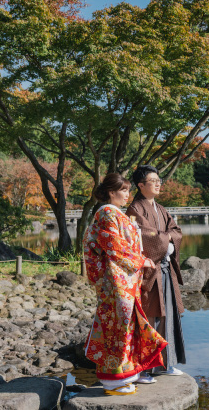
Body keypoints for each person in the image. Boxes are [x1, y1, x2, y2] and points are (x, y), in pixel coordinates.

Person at [84, 173, 166, 395]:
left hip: (124, 279)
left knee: (127, 325)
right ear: (111, 192)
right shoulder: (107, 213)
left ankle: (128, 373)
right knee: (116, 327)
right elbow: (114, 246)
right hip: (115, 281)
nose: (128, 195)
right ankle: (113, 380)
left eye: (128, 190)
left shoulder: (115, 213)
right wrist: (140, 260)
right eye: (123, 190)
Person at [127, 165, 186, 376]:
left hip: (166, 269)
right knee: (150, 316)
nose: (158, 184)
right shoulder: (135, 209)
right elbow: (143, 235)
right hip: (150, 272)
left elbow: (176, 230)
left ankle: (166, 364)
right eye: (153, 181)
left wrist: (167, 238)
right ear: (140, 185)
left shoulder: (160, 208)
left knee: (168, 314)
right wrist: (166, 239)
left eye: (159, 180)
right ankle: (147, 367)